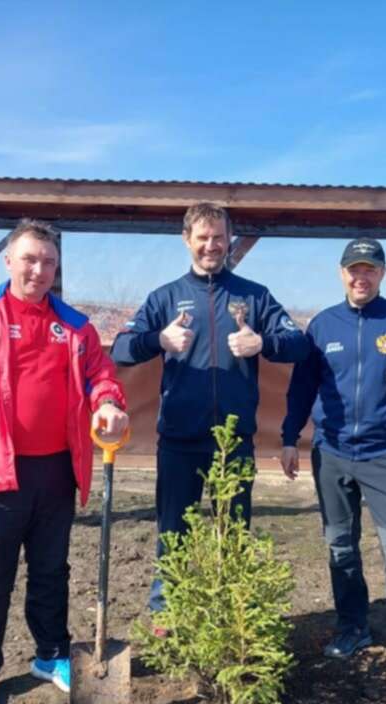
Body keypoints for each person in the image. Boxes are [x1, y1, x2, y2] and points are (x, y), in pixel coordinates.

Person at [0, 218, 129, 704]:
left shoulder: (75, 327)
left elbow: (101, 374)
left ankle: (50, 654)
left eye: (49, 262)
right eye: (30, 259)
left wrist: (107, 402)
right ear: (10, 261)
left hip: (57, 471)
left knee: (50, 571)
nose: (39, 270)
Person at [111, 202, 309, 613]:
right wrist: (158, 341)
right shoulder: (166, 298)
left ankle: (228, 612)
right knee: (174, 531)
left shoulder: (254, 297)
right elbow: (122, 348)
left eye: (219, 237)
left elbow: (298, 344)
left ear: (229, 239)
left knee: (232, 530)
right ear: (187, 241)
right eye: (202, 238)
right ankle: (166, 612)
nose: (211, 246)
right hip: (180, 440)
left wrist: (263, 343)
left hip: (233, 442)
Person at [280, 238, 386, 697]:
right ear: (342, 274)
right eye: (354, 269)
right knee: (340, 547)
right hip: (331, 454)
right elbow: (301, 389)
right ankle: (352, 627)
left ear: (380, 275)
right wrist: (288, 438)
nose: (362, 277)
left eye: (370, 270)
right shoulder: (322, 325)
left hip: (385, 457)